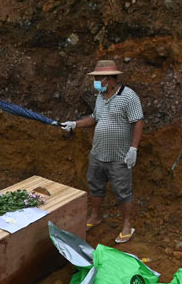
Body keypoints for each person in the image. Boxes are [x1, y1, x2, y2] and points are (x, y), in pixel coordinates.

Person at [61, 59, 144, 244]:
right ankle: (95, 216)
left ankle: (127, 225)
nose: (95, 82)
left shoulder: (129, 96)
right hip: (98, 153)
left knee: (123, 191)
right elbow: (94, 118)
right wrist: (75, 124)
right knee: (95, 186)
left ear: (109, 78)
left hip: (119, 156)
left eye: (98, 78)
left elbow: (138, 121)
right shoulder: (100, 96)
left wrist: (133, 148)